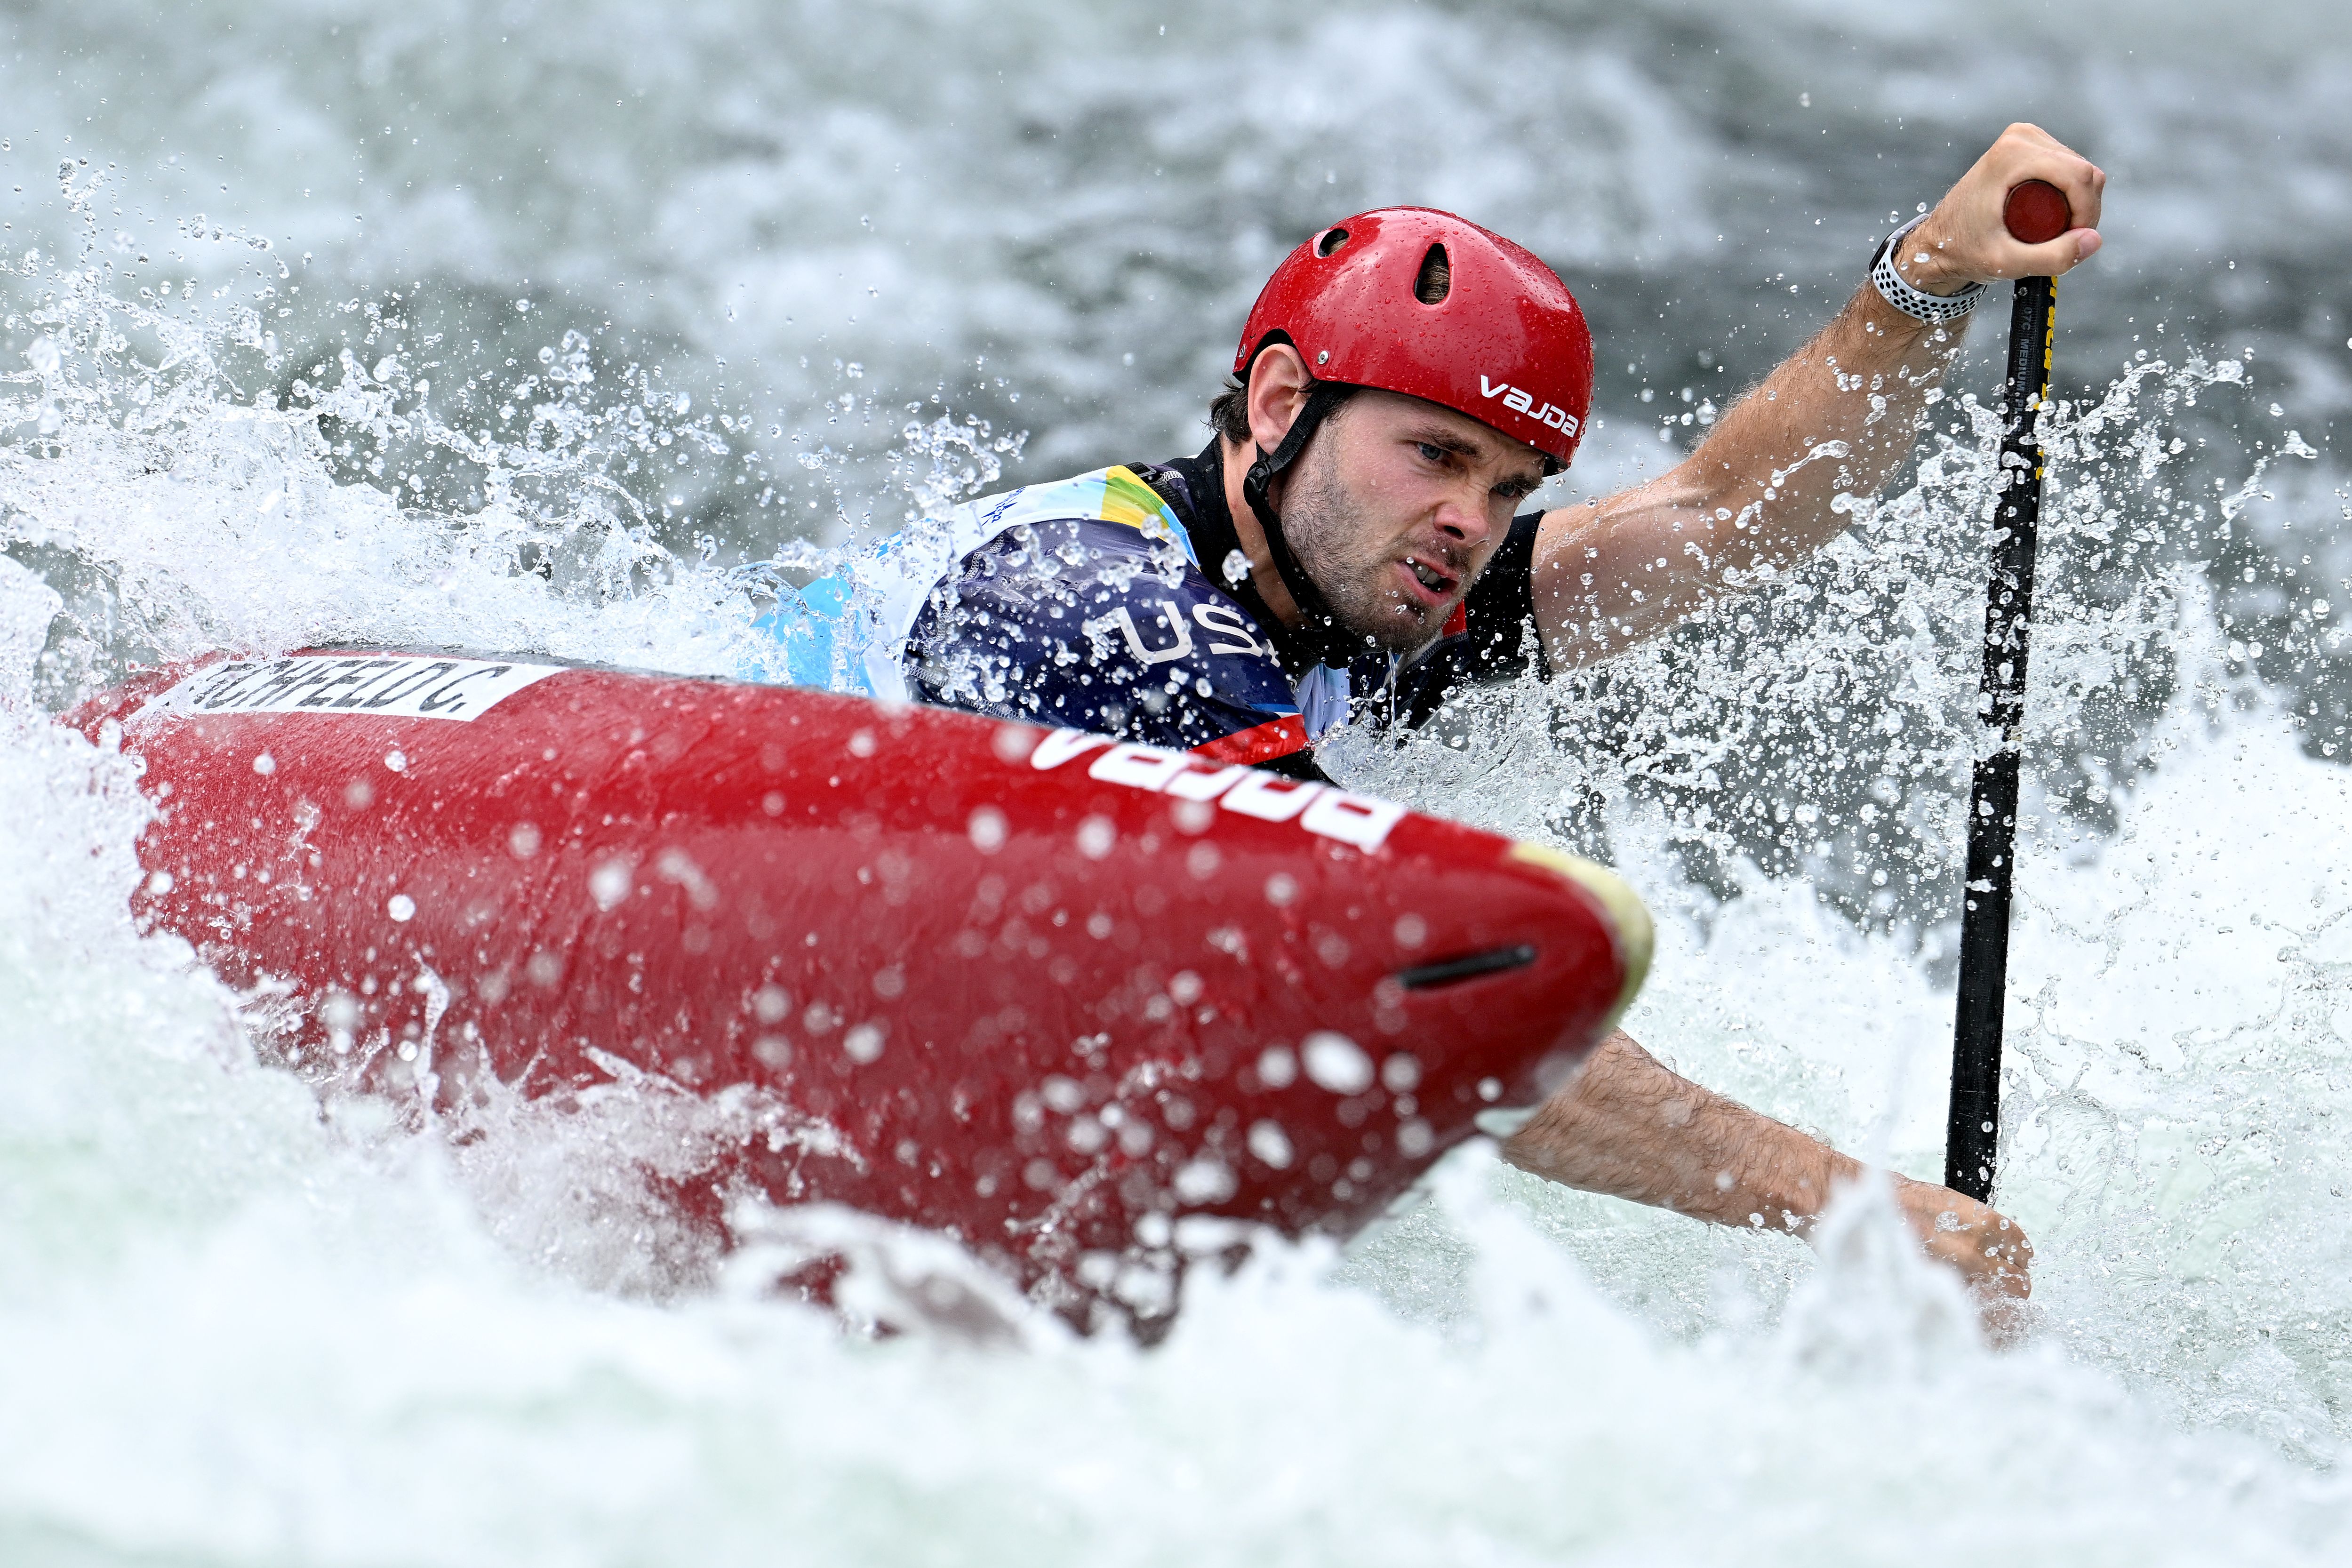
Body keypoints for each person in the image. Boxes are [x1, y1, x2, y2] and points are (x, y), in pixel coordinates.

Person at [781, 123, 2104, 1312]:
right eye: (1435, 454)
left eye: (1510, 483)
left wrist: (1924, 275)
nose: (1472, 521)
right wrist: (1846, 1206)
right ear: (1281, 406)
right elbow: (1417, 1003)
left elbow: (1732, 512)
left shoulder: (1364, 588)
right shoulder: (1104, 610)